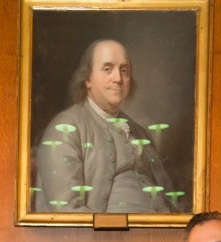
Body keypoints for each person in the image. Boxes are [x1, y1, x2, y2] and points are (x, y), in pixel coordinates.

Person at [35, 39, 183, 214]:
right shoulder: (66, 128)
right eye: (107, 69)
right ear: (87, 78)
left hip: (162, 236)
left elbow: (171, 198)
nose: (118, 79)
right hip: (104, 239)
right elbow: (65, 209)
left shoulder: (139, 132)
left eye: (124, 70)